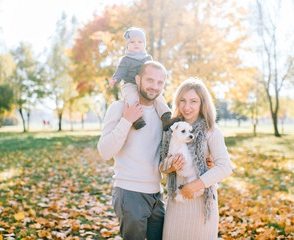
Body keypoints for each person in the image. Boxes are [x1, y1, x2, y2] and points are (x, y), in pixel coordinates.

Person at [98, 61, 169, 240]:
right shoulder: (119, 108)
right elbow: (104, 152)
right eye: (150, 80)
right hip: (129, 192)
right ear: (138, 79)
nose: (154, 86)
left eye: (160, 82)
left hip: (156, 194)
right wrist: (127, 120)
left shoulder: (162, 115)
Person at [160, 78, 233, 240]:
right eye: (183, 101)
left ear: (202, 103)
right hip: (176, 201)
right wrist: (170, 167)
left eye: (193, 101)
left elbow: (225, 167)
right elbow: (161, 166)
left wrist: (192, 186)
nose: (187, 107)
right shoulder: (172, 130)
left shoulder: (211, 130)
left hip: (201, 203)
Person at [109, 27, 177, 130]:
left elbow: (153, 70)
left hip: (145, 84)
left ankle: (165, 115)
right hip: (130, 83)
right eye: (132, 42)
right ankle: (137, 118)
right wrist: (115, 79)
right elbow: (120, 71)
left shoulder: (147, 58)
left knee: (158, 96)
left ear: (144, 44)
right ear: (127, 45)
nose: (136, 44)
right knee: (132, 96)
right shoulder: (126, 60)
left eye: (140, 42)